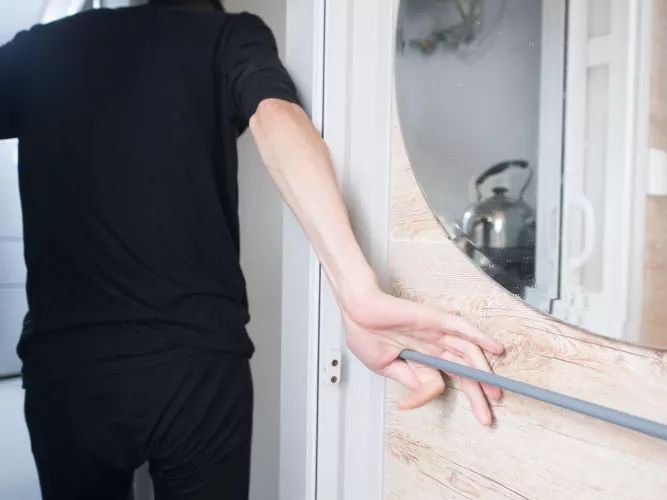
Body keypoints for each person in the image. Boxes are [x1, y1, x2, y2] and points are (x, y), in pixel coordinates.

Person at [0, 0, 504, 498]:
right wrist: (356, 289)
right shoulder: (226, 35)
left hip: (69, 368)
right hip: (196, 365)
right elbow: (275, 114)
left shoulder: (43, 47)